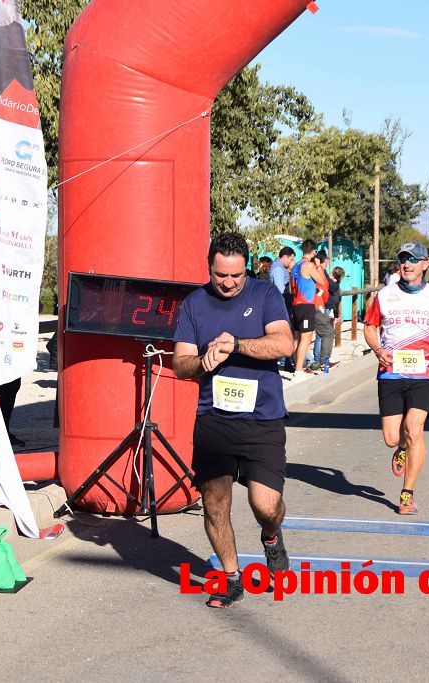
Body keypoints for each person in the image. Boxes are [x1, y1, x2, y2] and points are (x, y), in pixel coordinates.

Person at [172, 232, 295, 609]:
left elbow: (284, 344)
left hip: (262, 420)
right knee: (215, 504)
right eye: (219, 275)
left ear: (247, 270)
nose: (227, 283)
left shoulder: (265, 295)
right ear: (209, 267)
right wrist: (202, 362)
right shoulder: (194, 304)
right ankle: (230, 578)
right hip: (214, 420)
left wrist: (236, 345)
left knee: (266, 506)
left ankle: (271, 538)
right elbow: (180, 364)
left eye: (235, 276)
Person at [363, 242, 429, 516]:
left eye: (413, 260)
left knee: (414, 428)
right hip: (391, 371)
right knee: (393, 438)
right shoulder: (385, 295)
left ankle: (407, 494)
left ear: (425, 263)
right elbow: (370, 327)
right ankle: (402, 448)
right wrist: (378, 350)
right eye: (403, 259)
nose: (407, 264)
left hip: (424, 371)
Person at [290, 239, 328, 380]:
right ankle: (298, 371)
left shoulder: (295, 266)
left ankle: (297, 367)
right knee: (306, 338)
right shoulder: (309, 265)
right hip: (306, 305)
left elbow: (290, 288)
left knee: (297, 338)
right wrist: (318, 267)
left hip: (295, 305)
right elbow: (322, 281)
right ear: (314, 252)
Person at [310, 251, 338, 372]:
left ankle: (319, 360)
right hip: (318, 305)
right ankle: (322, 361)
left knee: (320, 334)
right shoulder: (318, 271)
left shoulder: (316, 270)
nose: (327, 264)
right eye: (326, 262)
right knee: (327, 332)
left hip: (317, 305)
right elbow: (324, 288)